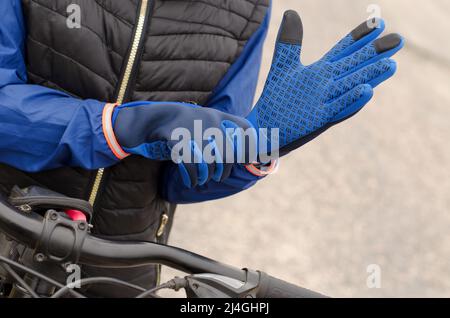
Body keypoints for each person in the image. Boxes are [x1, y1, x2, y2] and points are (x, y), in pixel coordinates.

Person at [0, 0, 403, 297]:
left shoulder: (246, 11)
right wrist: (122, 126)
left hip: (118, 271)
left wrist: (254, 144)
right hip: (8, 227)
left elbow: (181, 179)